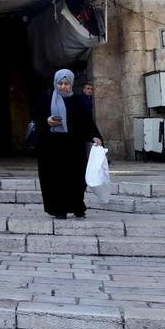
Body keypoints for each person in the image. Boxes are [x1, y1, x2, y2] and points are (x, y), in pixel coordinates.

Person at [32, 69, 102, 219]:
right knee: (56, 179)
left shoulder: (78, 101)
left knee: (77, 178)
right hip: (51, 147)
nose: (63, 87)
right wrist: (47, 121)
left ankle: (77, 206)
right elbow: (37, 119)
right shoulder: (46, 98)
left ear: (71, 84)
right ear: (55, 83)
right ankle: (59, 209)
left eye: (66, 83)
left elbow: (87, 123)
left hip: (74, 147)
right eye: (60, 83)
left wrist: (94, 136)